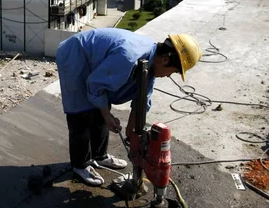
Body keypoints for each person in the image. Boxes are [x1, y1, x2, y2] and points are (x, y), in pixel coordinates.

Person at [56, 28, 202, 186]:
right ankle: (80, 165)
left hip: (94, 57)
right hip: (75, 55)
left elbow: (142, 98)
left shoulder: (149, 61)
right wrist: (107, 115)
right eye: (172, 72)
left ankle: (99, 156)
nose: (168, 76)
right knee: (82, 112)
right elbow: (96, 84)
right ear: (165, 60)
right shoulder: (129, 56)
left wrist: (131, 133)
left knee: (102, 107)